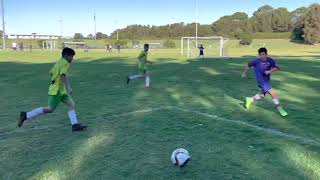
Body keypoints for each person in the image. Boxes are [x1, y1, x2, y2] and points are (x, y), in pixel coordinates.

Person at [18, 47, 87, 131]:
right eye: (71, 56)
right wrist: (68, 87)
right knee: (50, 109)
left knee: (71, 104)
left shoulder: (59, 62)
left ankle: (75, 125)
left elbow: (51, 72)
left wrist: (56, 79)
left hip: (61, 90)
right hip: (57, 91)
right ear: (66, 56)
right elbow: (63, 75)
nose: (72, 58)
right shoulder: (65, 63)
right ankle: (26, 115)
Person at [241, 47, 288, 117]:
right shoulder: (256, 61)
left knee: (262, 95)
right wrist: (244, 73)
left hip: (266, 80)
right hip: (261, 81)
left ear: (266, 54)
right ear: (258, 55)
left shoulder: (270, 60)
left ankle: (250, 100)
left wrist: (270, 71)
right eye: (260, 55)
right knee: (273, 93)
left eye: (263, 54)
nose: (262, 56)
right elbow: (248, 65)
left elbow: (278, 68)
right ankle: (280, 109)